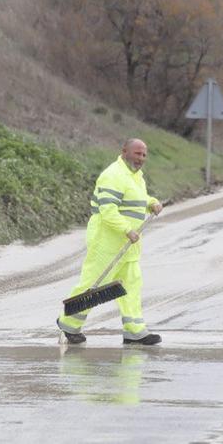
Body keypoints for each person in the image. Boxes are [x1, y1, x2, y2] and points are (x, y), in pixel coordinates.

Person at [57, 138, 163, 346]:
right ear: (124, 152)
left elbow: (136, 199)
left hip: (129, 245)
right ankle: (68, 323)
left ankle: (135, 330)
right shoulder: (112, 175)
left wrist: (151, 202)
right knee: (93, 283)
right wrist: (126, 229)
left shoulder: (136, 177)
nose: (141, 158)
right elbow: (108, 210)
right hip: (107, 241)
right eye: (137, 153)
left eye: (144, 155)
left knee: (132, 284)